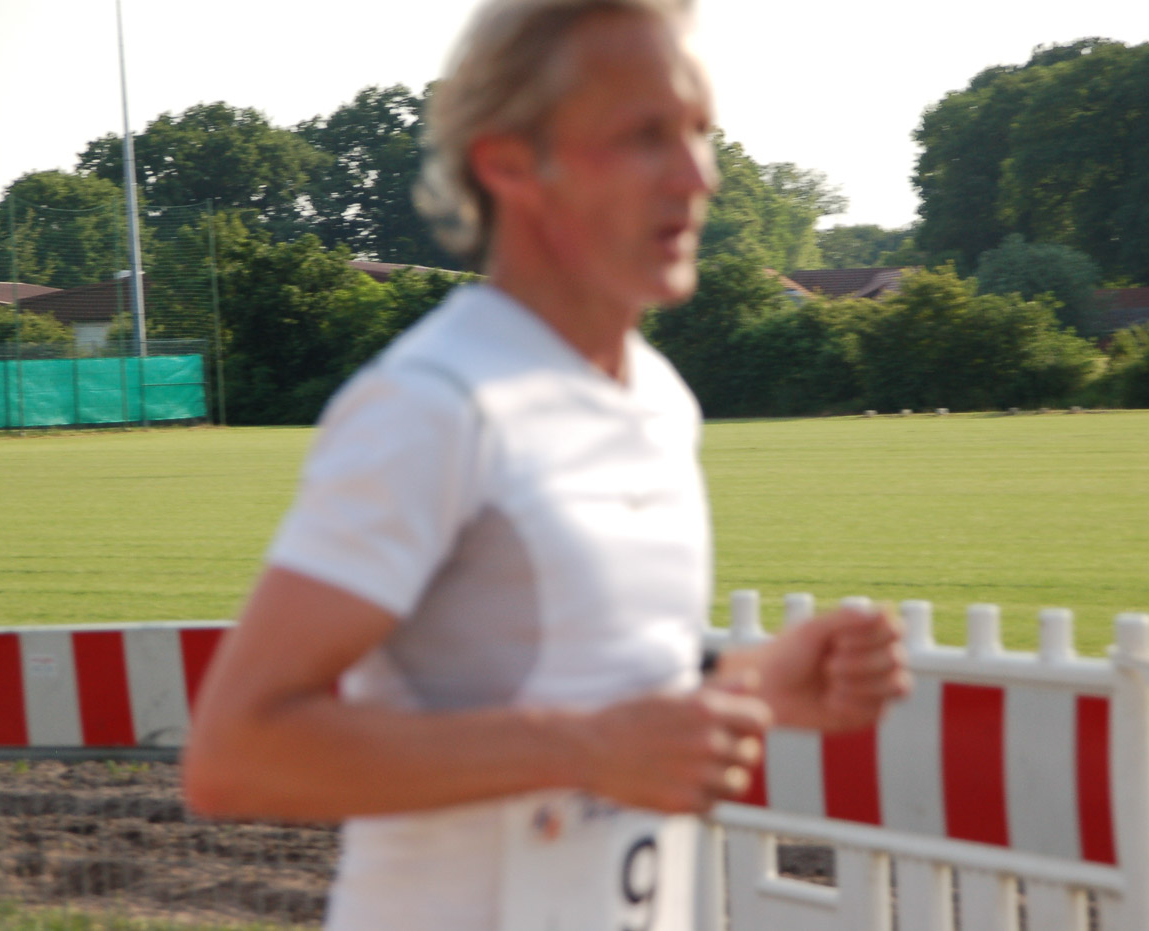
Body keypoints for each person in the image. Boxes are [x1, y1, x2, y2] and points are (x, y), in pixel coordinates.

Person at [182, 0, 911, 927]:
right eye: (644, 134)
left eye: (698, 130)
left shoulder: (657, 396)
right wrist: (584, 749)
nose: (698, 175)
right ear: (510, 162)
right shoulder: (435, 404)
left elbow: (602, 701)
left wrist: (762, 682)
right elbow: (236, 754)